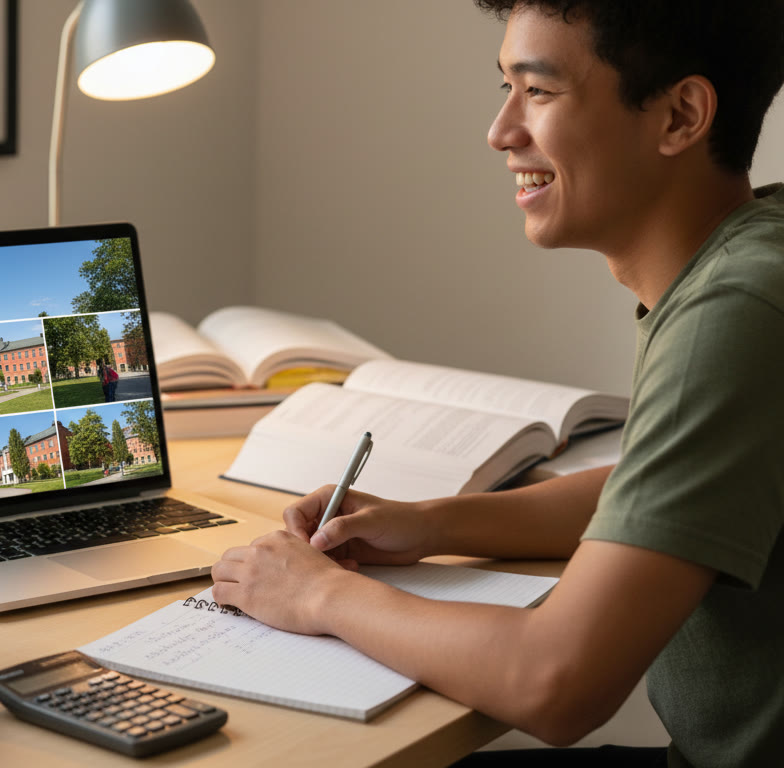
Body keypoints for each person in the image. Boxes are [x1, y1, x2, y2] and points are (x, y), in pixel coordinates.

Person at [210, 3, 784, 766]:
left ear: (680, 115)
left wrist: (317, 595)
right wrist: (432, 524)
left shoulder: (735, 311)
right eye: (505, 87)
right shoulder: (752, 253)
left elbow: (555, 682)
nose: (501, 130)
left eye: (538, 92)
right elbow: (663, 485)